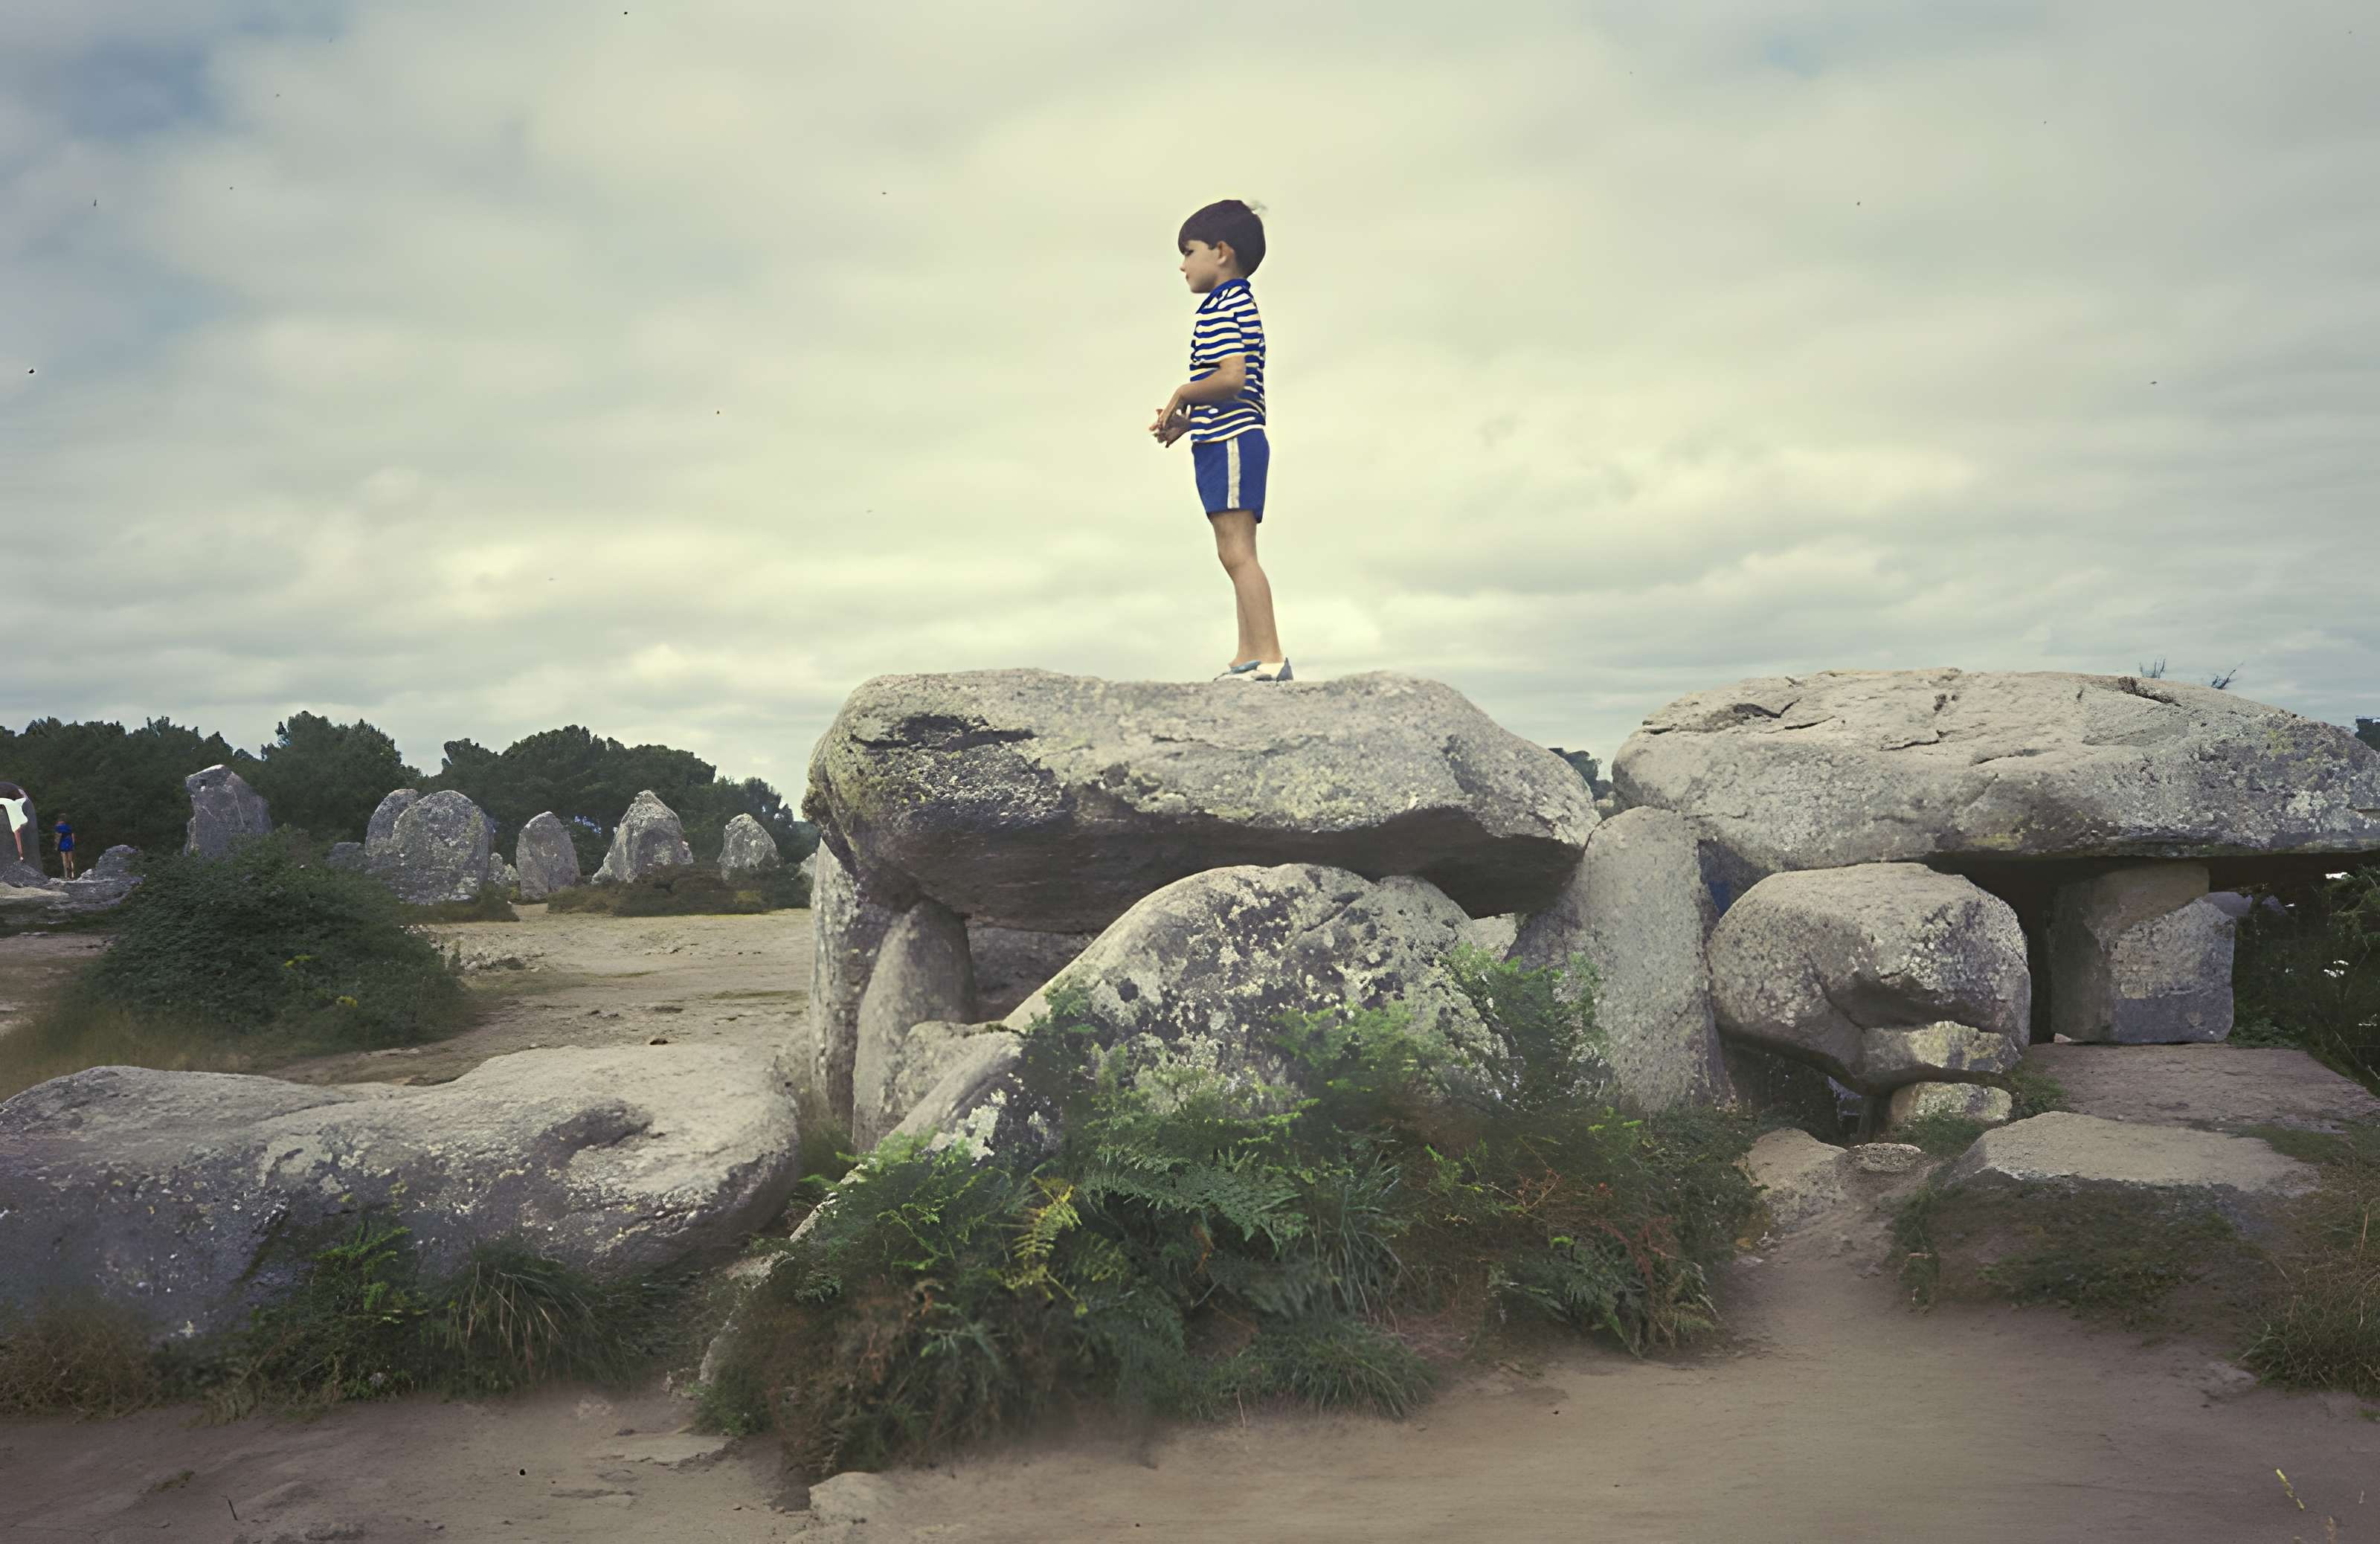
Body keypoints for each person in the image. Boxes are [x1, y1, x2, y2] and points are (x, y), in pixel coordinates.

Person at [1151, 199, 1290, 683]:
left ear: (1222, 252)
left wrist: (1184, 392)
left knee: (1238, 552)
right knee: (1232, 550)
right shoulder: (1231, 304)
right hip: (1225, 436)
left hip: (1232, 442)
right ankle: (1247, 656)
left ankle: (1269, 657)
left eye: (1189, 251)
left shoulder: (1224, 305)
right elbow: (1239, 393)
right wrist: (1188, 423)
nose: (1183, 264)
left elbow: (1232, 378)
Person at [0, 781, 28, 866]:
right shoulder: (16, 802)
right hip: (24, 821)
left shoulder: (6, 802)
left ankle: (21, 856)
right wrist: (22, 792)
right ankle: (21, 856)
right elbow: (25, 799)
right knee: (19, 839)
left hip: (16, 824)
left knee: (18, 839)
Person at [53, 814, 75, 879]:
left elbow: (57, 837)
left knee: (64, 860)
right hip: (69, 842)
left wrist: (56, 846)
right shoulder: (69, 827)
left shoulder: (58, 827)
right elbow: (73, 835)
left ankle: (66, 875)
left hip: (63, 843)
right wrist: (73, 844)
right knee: (70, 860)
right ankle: (72, 874)